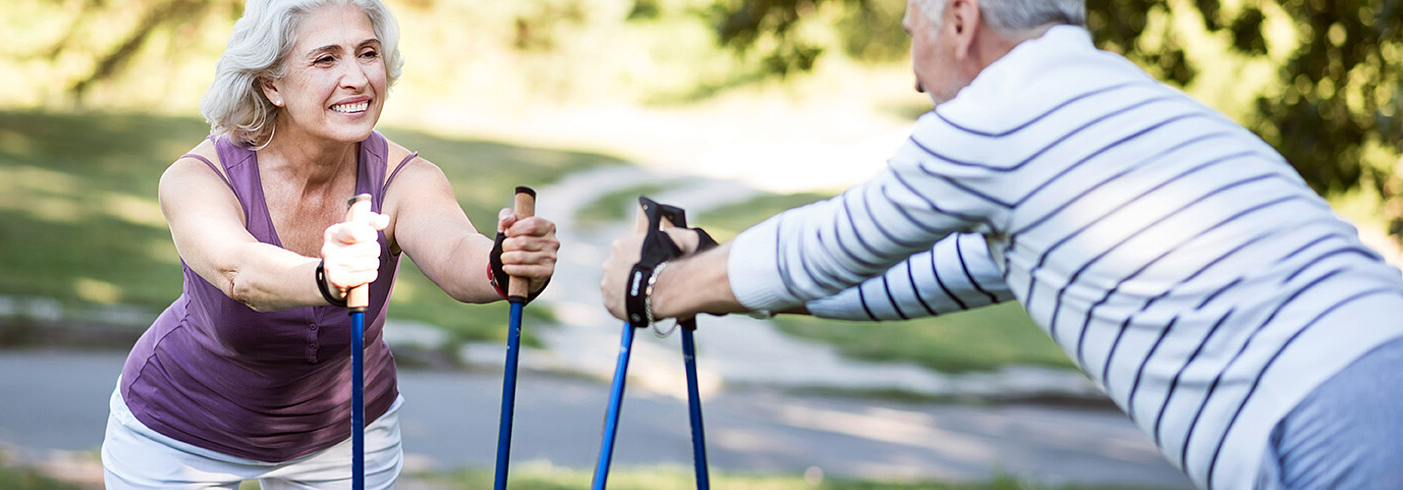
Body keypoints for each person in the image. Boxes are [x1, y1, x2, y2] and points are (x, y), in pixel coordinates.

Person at [600, 0, 1403, 488]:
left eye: (913, 26)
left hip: (1329, 425)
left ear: (960, 18)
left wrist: (657, 289)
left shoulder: (1001, 116)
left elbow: (837, 242)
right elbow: (902, 276)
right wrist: (710, 258)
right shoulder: (1106, 105)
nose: (914, 74)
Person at [100, 0, 559, 487]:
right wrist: (325, 276)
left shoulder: (406, 178)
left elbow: (455, 254)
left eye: (368, 53)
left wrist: (505, 263)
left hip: (345, 433)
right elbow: (240, 271)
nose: (358, 78)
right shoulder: (198, 178)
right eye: (326, 59)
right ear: (271, 83)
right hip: (182, 429)